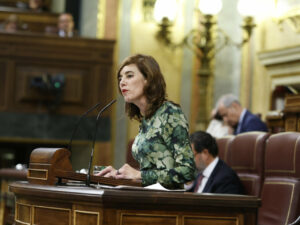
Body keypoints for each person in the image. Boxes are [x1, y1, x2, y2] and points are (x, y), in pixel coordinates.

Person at [96, 54, 196, 189]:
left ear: (148, 79)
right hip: (148, 197)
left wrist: (139, 175)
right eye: (120, 78)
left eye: (129, 76)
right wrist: (119, 174)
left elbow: (187, 171)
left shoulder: (170, 113)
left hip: (167, 202)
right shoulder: (147, 119)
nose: (122, 82)